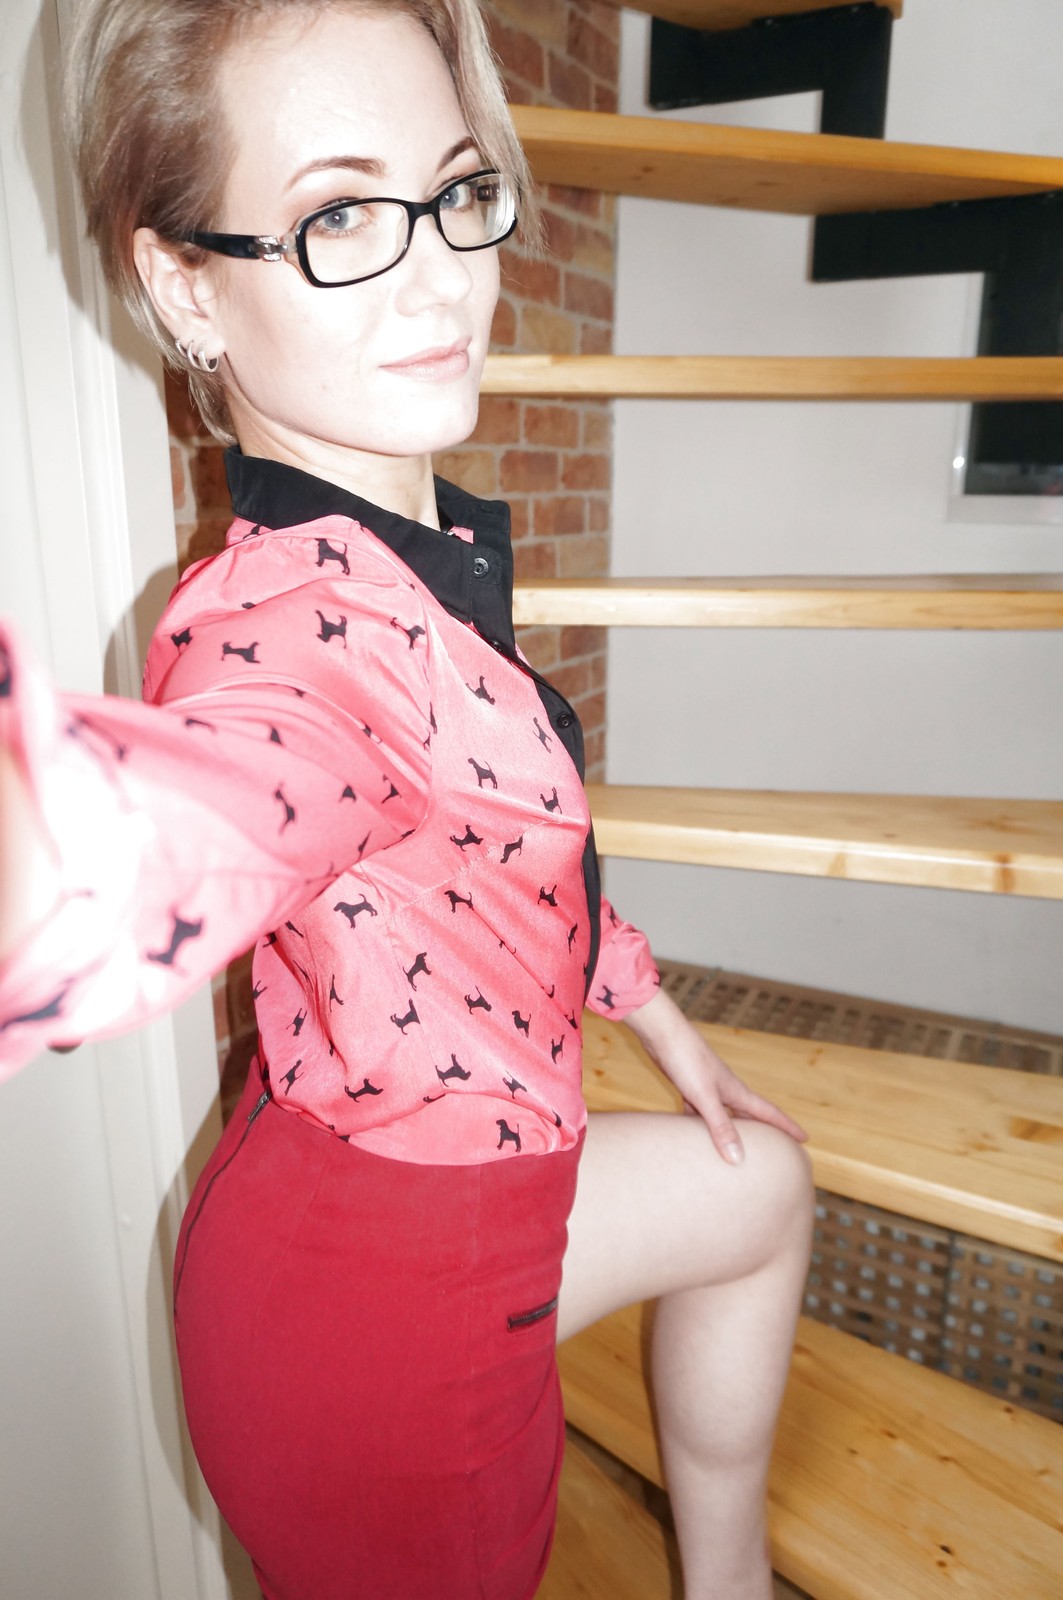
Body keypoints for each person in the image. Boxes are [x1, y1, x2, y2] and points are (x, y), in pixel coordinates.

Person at [0, 1, 814, 1596]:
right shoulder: (297, 635)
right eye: (339, 218)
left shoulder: (397, 552)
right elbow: (185, 815)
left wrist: (655, 1016)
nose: (443, 277)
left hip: (335, 1205)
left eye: (455, 190)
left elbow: (507, 852)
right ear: (186, 283)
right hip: (393, 1353)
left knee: (761, 1188)